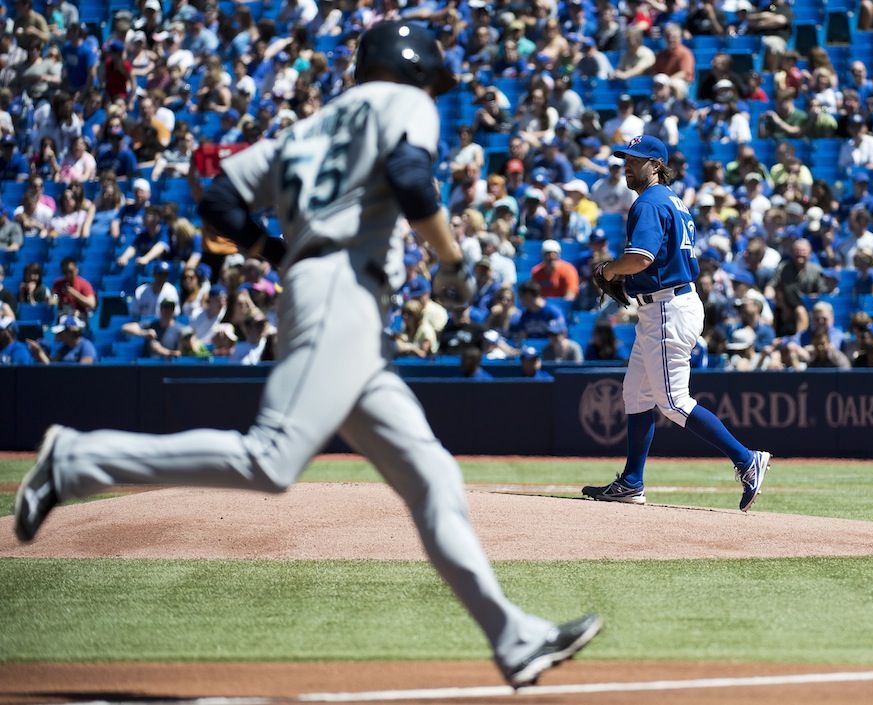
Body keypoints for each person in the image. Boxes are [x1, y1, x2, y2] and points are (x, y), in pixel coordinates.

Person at [12, 24, 602, 688]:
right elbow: (410, 176)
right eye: (427, 78)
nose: (429, 90)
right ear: (408, 69)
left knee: (433, 476)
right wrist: (452, 256)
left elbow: (218, 200)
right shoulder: (402, 101)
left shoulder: (307, 128)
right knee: (271, 458)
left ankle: (513, 636)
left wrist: (273, 252)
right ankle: (75, 460)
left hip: (325, 295)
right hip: (340, 293)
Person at [581, 136, 771, 512]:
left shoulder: (649, 202)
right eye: (624, 159)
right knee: (636, 394)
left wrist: (608, 270)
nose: (627, 166)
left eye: (635, 160)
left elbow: (640, 259)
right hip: (666, 303)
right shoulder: (673, 200)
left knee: (673, 402)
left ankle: (747, 458)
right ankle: (632, 482)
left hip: (668, 306)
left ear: (656, 164)